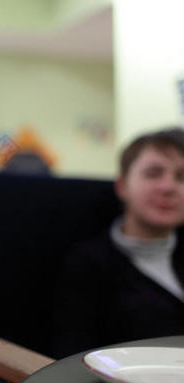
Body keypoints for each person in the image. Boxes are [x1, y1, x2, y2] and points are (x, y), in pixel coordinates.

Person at [53, 128, 184, 359]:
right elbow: (73, 357)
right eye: (154, 173)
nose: (168, 187)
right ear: (122, 186)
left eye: (181, 177)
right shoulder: (88, 264)